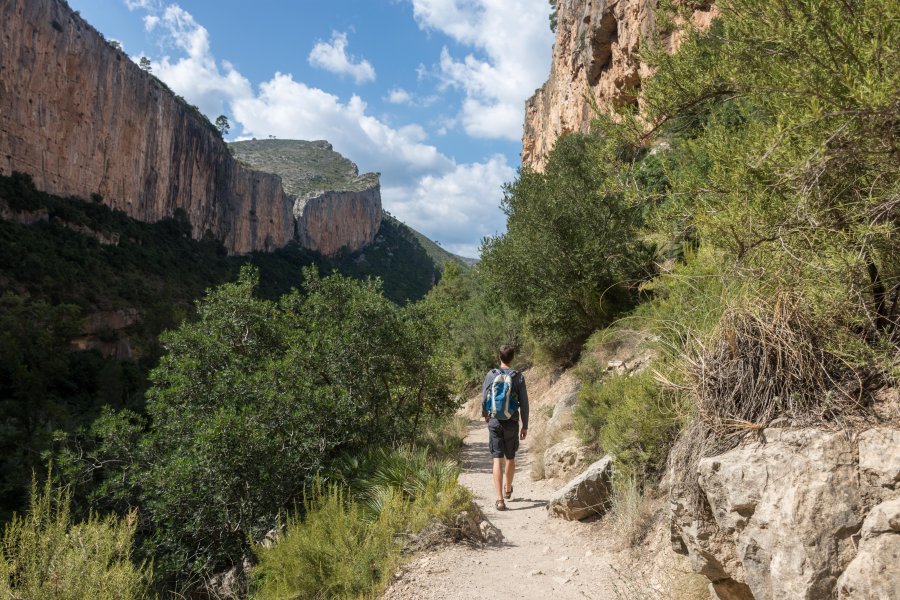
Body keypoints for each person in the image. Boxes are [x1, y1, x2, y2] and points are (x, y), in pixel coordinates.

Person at [482, 344, 528, 511]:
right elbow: (524, 404)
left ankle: (500, 500)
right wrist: (525, 425)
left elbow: (483, 397)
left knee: (496, 459)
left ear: (499, 357)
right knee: (510, 457)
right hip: (511, 422)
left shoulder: (491, 374)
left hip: (494, 421)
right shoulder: (518, 377)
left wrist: (485, 414)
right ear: (512, 358)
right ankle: (508, 489)